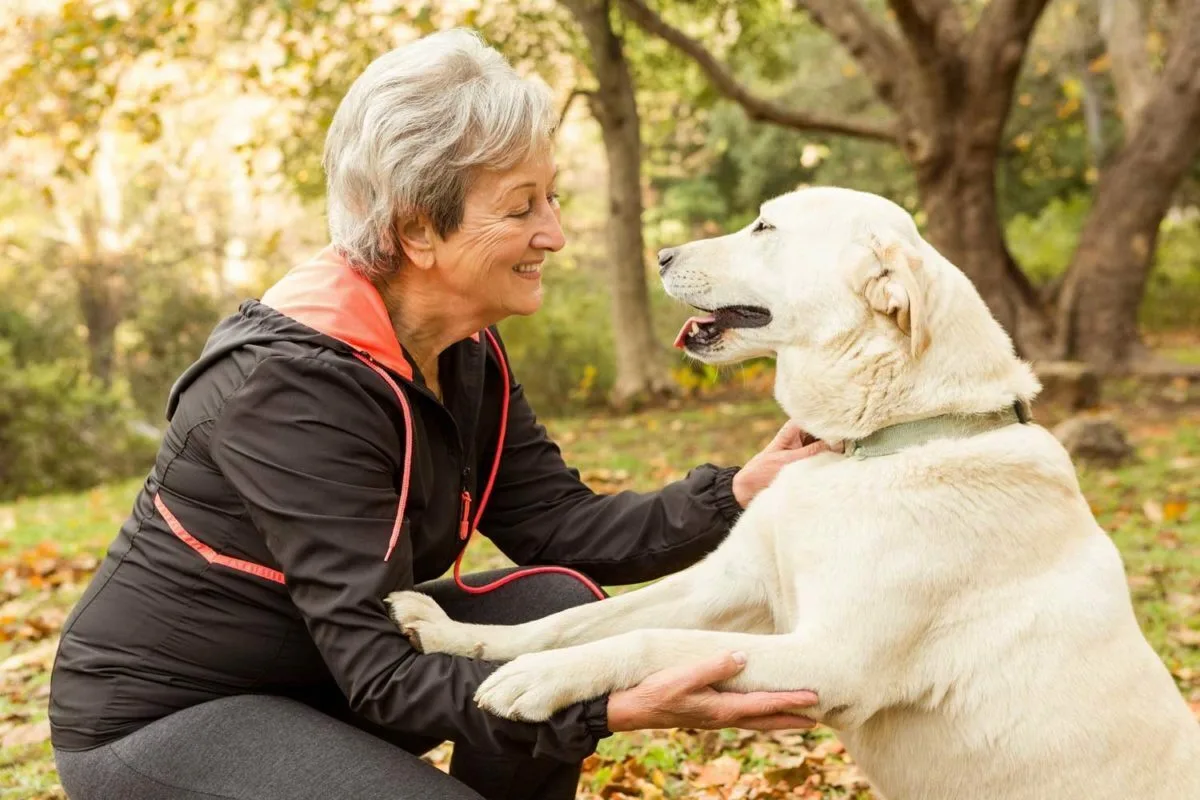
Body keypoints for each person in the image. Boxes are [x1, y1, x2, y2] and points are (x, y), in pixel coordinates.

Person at [48, 29, 821, 800]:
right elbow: (383, 673)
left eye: (551, 197)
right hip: (169, 720)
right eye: (521, 208)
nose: (553, 234)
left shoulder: (460, 348)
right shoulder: (288, 390)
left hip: (328, 682)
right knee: (543, 677)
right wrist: (606, 705)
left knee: (552, 604)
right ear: (417, 228)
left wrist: (741, 492)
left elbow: (559, 527)